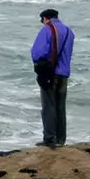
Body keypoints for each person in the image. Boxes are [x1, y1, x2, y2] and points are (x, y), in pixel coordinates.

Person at [31, 8, 74, 147]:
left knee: (49, 106)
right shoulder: (69, 31)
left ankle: (49, 139)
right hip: (64, 73)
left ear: (46, 18)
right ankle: (61, 139)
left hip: (51, 73)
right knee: (61, 107)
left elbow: (38, 52)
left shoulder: (47, 29)